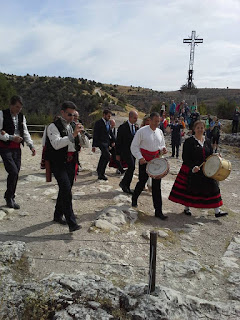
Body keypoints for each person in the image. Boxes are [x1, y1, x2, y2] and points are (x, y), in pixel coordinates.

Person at [169, 120, 227, 218]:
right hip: (193, 169)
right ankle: (186, 208)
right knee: (190, 189)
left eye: (202, 128)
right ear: (194, 129)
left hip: (206, 169)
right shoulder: (189, 141)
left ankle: (217, 211)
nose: (200, 130)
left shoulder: (207, 141)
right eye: (198, 128)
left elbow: (210, 154)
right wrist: (192, 167)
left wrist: (215, 155)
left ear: (204, 129)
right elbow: (185, 158)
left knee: (214, 187)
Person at [45, 101, 82, 232]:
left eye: (73, 115)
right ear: (62, 112)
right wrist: (73, 135)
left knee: (65, 189)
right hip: (59, 163)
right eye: (69, 114)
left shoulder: (73, 125)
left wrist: (82, 136)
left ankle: (57, 215)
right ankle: (72, 222)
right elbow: (56, 144)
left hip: (71, 162)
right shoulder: (52, 127)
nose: (72, 117)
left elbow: (82, 145)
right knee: (66, 190)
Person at [0, 95, 36, 209]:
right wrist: (11, 137)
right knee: (13, 171)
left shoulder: (21, 117)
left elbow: (25, 132)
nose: (18, 109)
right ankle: (9, 197)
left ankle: (11, 196)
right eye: (16, 107)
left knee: (16, 172)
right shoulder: (2, 114)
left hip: (16, 148)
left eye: (20, 107)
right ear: (11, 105)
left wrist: (31, 145)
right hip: (4, 147)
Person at [131, 112, 168, 220]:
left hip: (156, 161)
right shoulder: (141, 131)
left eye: (159, 121)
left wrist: (163, 149)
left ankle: (158, 211)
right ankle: (134, 198)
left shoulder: (160, 132)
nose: (157, 123)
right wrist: (140, 157)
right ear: (150, 120)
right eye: (156, 121)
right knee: (142, 181)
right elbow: (134, 146)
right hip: (144, 161)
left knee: (157, 187)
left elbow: (161, 145)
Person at [116, 110, 138, 194]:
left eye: (136, 118)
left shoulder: (136, 127)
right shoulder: (123, 127)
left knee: (132, 168)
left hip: (133, 151)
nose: (136, 119)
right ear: (130, 117)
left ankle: (127, 186)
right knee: (131, 167)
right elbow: (118, 141)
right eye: (134, 118)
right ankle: (123, 183)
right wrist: (117, 154)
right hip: (125, 151)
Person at [92, 109, 115, 180]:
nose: (109, 118)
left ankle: (99, 170)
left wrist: (113, 141)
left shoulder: (108, 123)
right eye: (108, 116)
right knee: (107, 156)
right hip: (100, 142)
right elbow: (95, 134)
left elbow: (110, 133)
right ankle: (101, 174)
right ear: (104, 115)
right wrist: (93, 145)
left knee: (103, 156)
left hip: (106, 142)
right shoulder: (98, 123)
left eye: (110, 116)